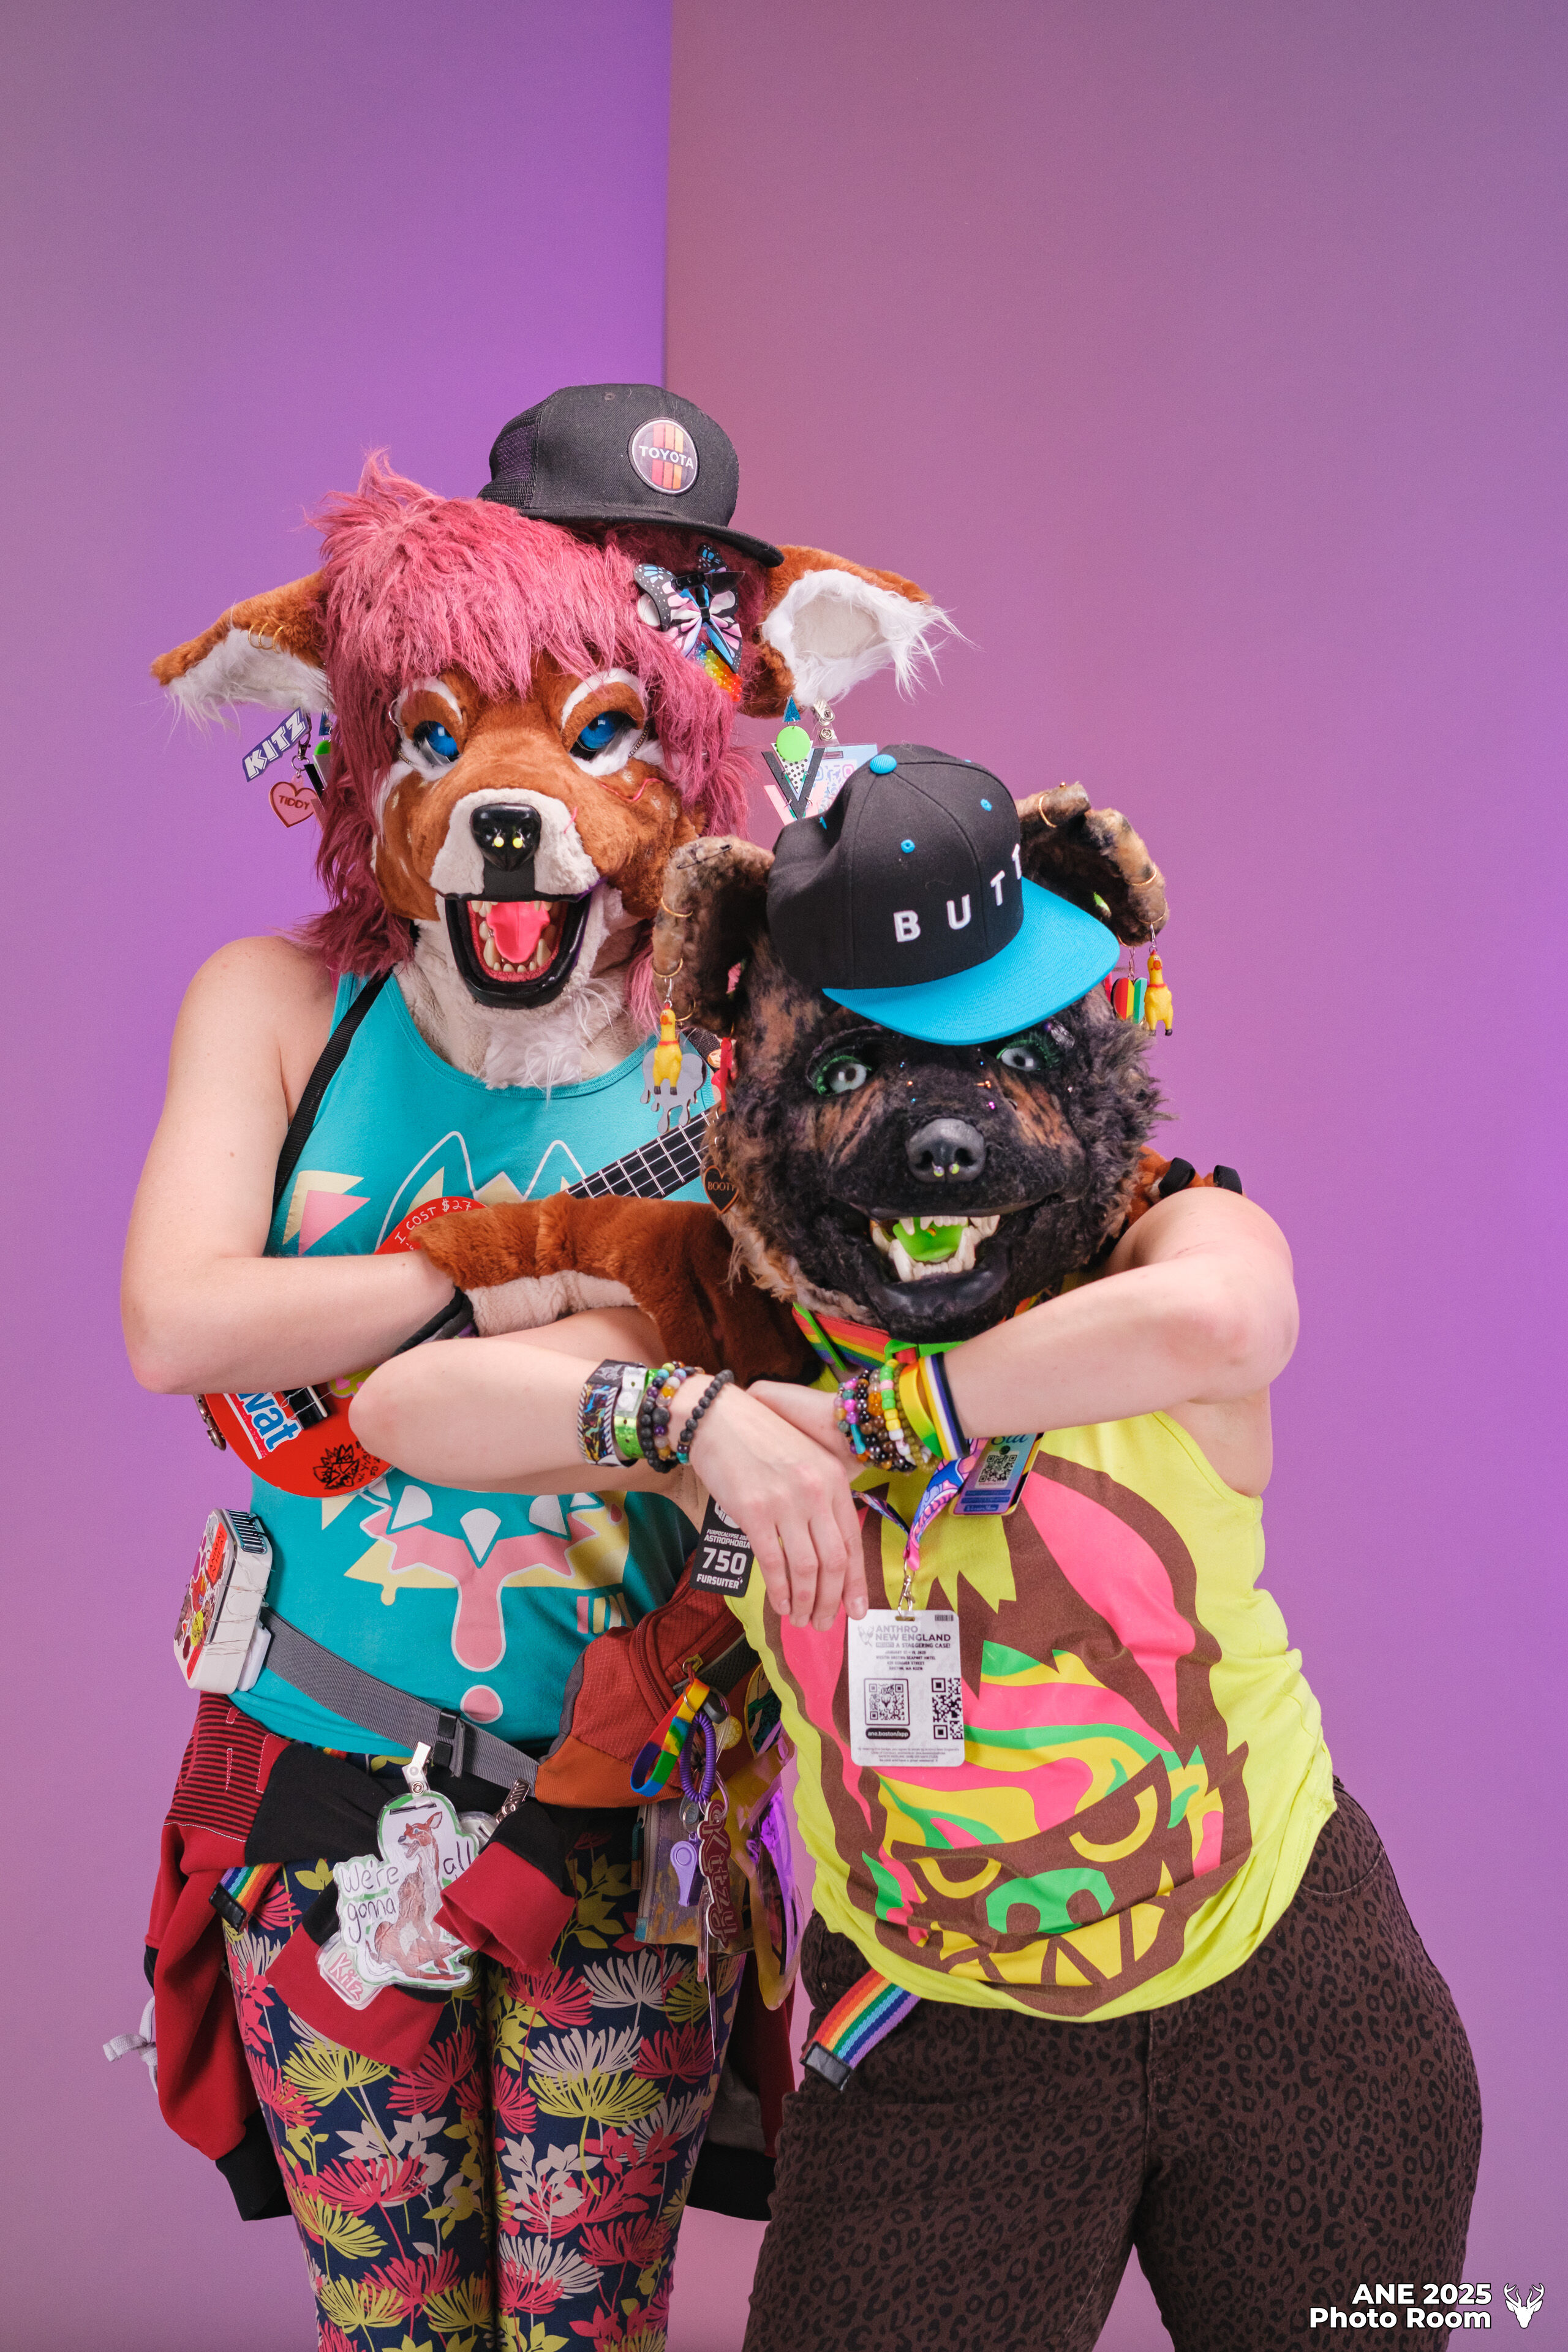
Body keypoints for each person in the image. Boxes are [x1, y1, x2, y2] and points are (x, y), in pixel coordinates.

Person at [348, 750, 1483, 2352]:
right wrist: (694, 1420)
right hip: (945, 2047)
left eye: (1003, 1060)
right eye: (852, 1070)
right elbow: (403, 1409)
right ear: (752, 1079)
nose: (944, 1140)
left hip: (1299, 2000)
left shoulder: (1153, 1244)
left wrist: (896, 1414)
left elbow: (1237, 1317)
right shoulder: (738, 1335)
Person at [123, 390, 943, 2352]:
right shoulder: (284, 1003)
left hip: (627, 1797)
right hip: (321, 1778)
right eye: (448, 722)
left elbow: (786, 1365)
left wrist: (523, 1339)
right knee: (393, 2332)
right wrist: (497, 1289)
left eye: (602, 722)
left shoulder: (747, 1045)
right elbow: (179, 1325)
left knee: (593, 2329)